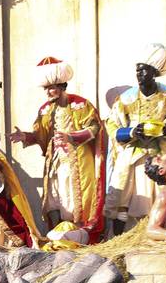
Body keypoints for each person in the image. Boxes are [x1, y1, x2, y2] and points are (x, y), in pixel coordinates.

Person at [9, 57, 107, 243]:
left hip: (77, 161)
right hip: (55, 161)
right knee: (55, 196)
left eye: (51, 87)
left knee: (74, 196)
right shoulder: (45, 110)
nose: (47, 92)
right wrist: (26, 137)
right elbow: (41, 135)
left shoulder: (81, 105)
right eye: (45, 88)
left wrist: (72, 137)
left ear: (62, 86)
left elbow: (94, 128)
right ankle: (58, 233)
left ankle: (79, 234)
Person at [105, 43, 166, 235]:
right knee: (125, 195)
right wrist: (131, 132)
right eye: (137, 71)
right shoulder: (125, 98)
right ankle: (118, 239)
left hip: (159, 154)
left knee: (159, 194)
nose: (139, 75)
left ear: (154, 72)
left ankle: (159, 231)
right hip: (132, 155)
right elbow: (112, 124)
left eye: (143, 71)